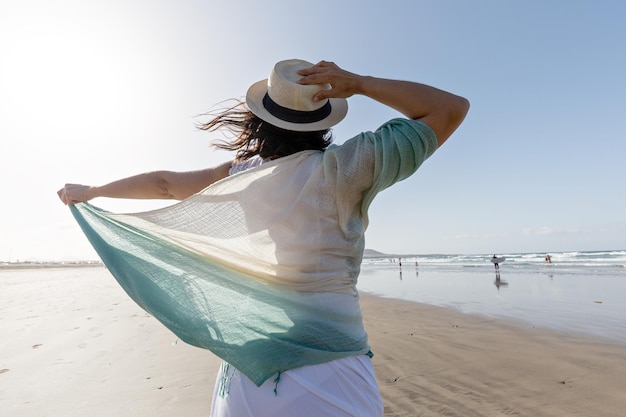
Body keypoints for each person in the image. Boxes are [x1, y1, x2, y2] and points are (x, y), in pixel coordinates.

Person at [58, 59, 469, 417]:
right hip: (331, 370)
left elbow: (165, 184)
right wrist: (359, 83)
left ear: (260, 120)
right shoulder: (349, 167)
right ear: (324, 120)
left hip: (251, 367)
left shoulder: (243, 176)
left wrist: (92, 191)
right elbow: (449, 109)